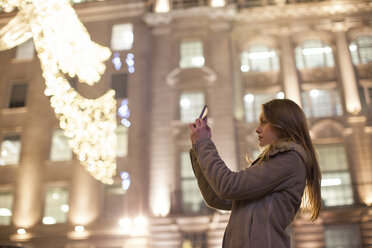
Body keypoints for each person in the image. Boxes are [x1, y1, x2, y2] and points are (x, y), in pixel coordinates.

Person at [188, 99, 322, 248]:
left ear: (282, 124)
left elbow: (228, 186)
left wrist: (204, 143)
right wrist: (197, 149)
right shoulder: (277, 161)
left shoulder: (289, 160)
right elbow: (217, 198)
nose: (258, 129)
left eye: (264, 122)